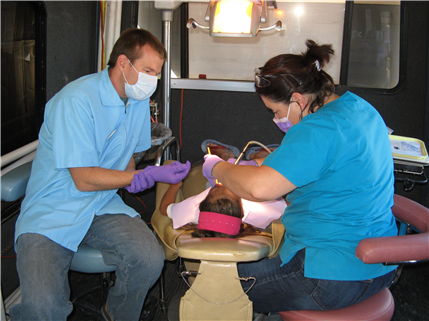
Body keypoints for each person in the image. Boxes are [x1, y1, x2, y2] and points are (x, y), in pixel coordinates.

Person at [202, 39, 397, 314]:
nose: (276, 119)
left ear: (298, 100)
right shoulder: (360, 109)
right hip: (380, 267)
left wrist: (217, 167)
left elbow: (260, 189)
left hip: (329, 276)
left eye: (276, 112)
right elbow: (326, 158)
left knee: (216, 287)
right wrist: (261, 163)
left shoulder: (317, 128)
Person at [11, 28, 190, 321]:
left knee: (148, 259)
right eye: (147, 70)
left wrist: (141, 174)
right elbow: (83, 179)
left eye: (156, 73)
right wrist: (144, 178)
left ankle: (115, 312)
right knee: (43, 308)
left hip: (101, 204)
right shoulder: (76, 101)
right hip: (54, 208)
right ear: (123, 63)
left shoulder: (137, 101)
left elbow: (129, 155)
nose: (152, 82)